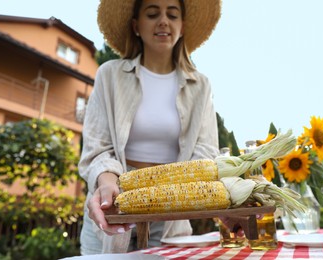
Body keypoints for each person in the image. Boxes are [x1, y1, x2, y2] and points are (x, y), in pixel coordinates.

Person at [79, 0, 222, 255]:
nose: (163, 21)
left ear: (183, 27)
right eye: (153, 13)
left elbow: (206, 149)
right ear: (136, 26)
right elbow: (96, 147)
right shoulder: (109, 75)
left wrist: (176, 190)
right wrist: (107, 181)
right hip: (114, 200)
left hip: (174, 206)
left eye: (173, 15)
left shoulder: (200, 85)